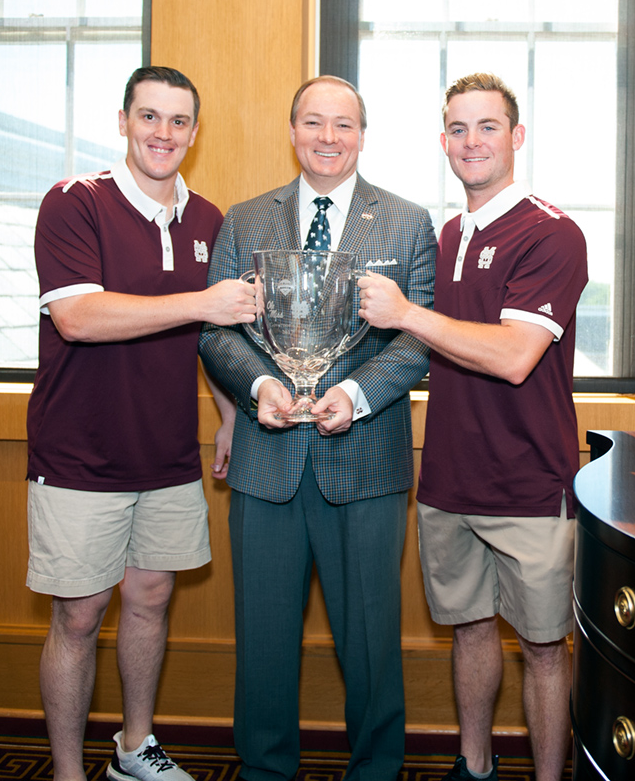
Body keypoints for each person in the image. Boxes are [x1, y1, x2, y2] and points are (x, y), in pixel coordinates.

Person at [198, 75, 436, 781]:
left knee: (370, 644)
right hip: (266, 459)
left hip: (365, 462)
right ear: (292, 129)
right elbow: (216, 333)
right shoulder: (244, 221)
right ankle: (265, 771)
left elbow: (417, 341)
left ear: (362, 134)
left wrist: (357, 394)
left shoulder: (406, 220)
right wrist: (261, 383)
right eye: (313, 122)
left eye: (343, 125)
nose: (327, 137)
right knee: (263, 644)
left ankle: (376, 771)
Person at [26, 66, 255, 781]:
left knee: (151, 598)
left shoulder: (208, 219)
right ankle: (67, 772)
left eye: (179, 121)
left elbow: (211, 340)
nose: (164, 133)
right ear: (123, 120)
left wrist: (225, 415)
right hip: (78, 451)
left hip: (165, 453)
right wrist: (199, 303)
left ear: (194, 131)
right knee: (79, 614)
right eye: (149, 117)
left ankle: (134, 749)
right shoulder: (74, 202)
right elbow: (79, 316)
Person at [358, 72, 588, 781]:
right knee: (469, 629)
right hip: (449, 479)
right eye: (458, 129)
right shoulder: (449, 232)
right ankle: (474, 765)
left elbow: (516, 357)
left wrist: (405, 314)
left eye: (487, 127)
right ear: (443, 142)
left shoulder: (553, 232)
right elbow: (428, 347)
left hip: (528, 482)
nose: (472, 142)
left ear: (516, 137)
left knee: (546, 647)